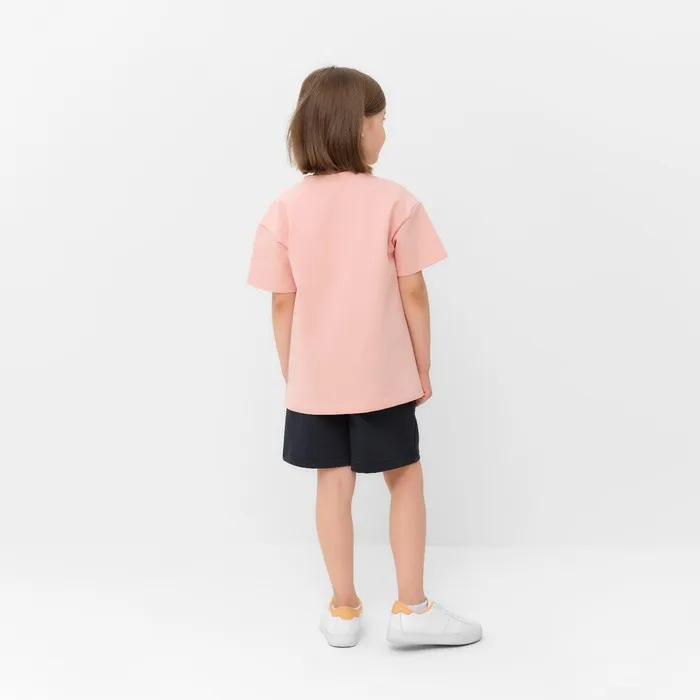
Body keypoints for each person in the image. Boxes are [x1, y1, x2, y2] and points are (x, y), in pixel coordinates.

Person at [247, 66, 482, 648]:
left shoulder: (283, 209)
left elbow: (282, 302)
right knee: (404, 477)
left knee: (332, 482)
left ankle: (343, 610)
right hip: (383, 374)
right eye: (380, 121)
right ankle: (412, 607)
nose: (385, 133)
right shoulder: (395, 201)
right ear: (356, 127)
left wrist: (292, 369)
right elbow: (413, 291)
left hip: (317, 379)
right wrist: (422, 366)